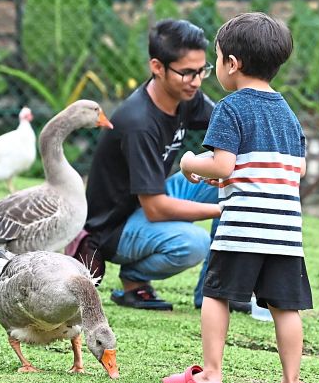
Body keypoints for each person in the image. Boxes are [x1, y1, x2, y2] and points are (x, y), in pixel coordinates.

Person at [162, 12, 313, 383]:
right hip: (284, 234)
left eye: (216, 58)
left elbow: (223, 164)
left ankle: (211, 375)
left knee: (217, 295)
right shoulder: (288, 113)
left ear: (232, 63)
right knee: (285, 307)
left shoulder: (231, 108)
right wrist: (236, 178)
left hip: (242, 228)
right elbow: (294, 170)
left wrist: (190, 163)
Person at [81, 19, 266, 318]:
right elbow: (155, 209)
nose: (196, 81)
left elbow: (231, 128)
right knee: (194, 243)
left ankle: (217, 290)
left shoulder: (185, 97)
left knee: (237, 173)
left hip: (155, 196)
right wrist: (223, 210)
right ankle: (134, 279)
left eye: (202, 70)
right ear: (157, 67)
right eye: (187, 73)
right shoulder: (139, 123)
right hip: (116, 228)